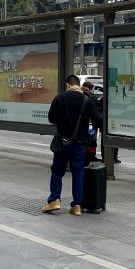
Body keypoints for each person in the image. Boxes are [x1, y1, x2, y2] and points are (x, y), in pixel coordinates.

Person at [44, 75, 102, 216]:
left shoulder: (60, 98)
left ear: (67, 85)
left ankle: (55, 200)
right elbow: (97, 120)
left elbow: (51, 117)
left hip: (63, 142)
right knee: (78, 173)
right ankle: (77, 205)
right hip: (80, 143)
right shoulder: (86, 100)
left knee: (57, 171)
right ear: (78, 84)